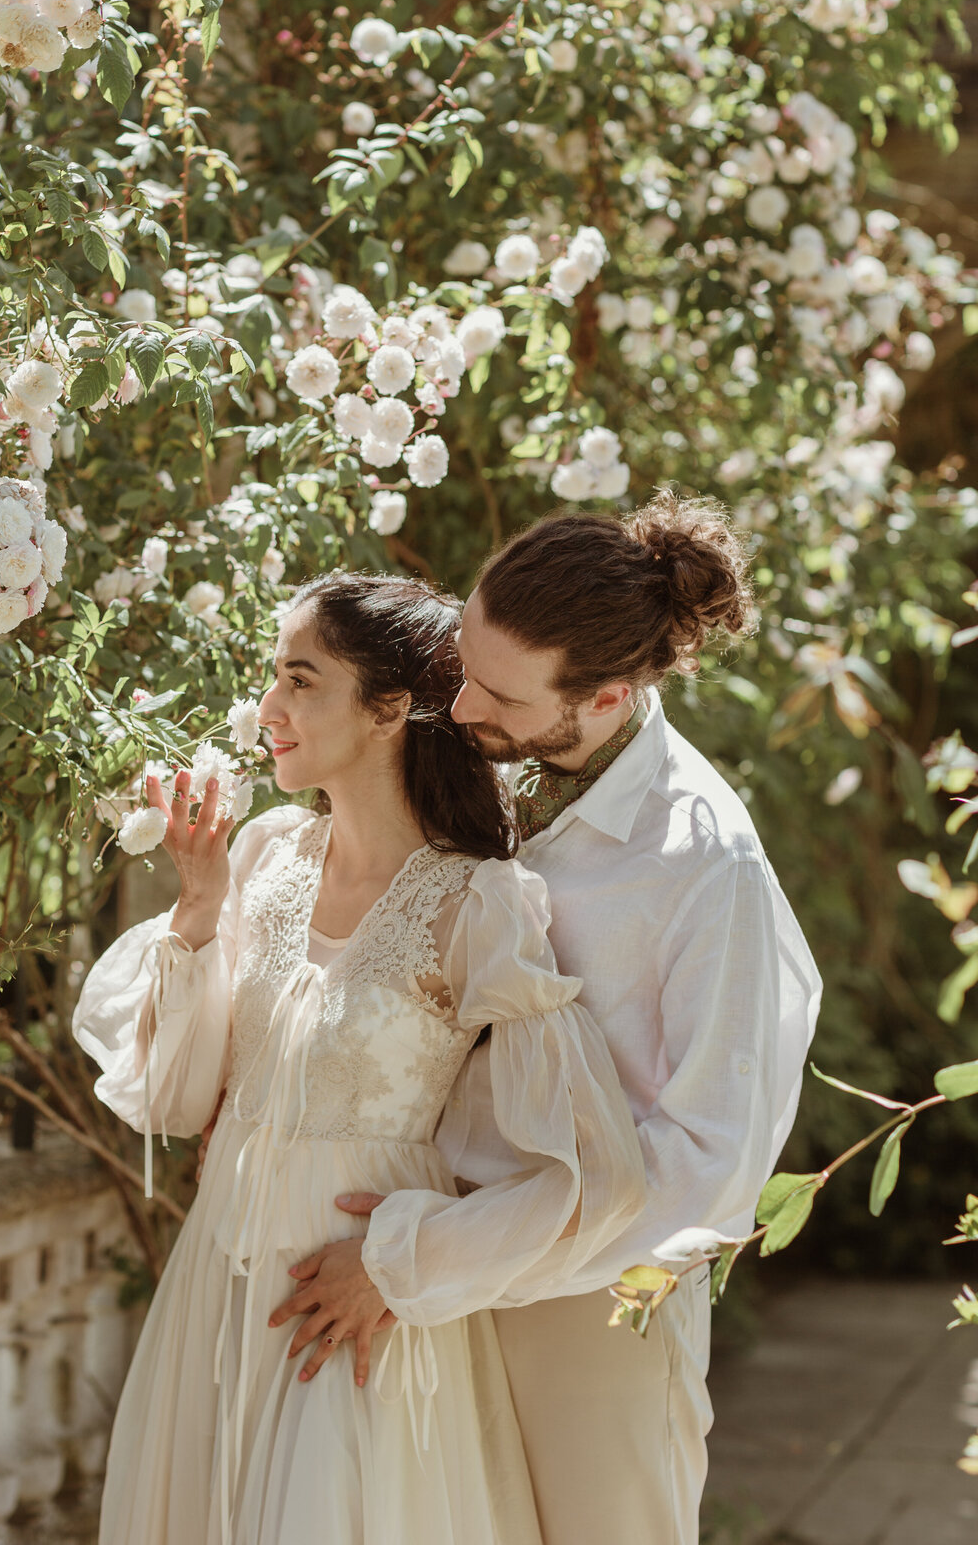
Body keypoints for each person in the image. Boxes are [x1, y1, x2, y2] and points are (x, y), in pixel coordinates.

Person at [278, 493, 823, 1545]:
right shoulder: (483, 761)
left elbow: (708, 1166)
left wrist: (419, 1262)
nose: (457, 700)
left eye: (496, 691)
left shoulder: (708, 866)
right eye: (465, 662)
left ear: (607, 698)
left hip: (587, 1312)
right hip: (422, 1265)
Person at [71, 572, 647, 1545]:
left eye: (300, 680)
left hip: (357, 1321)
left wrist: (400, 1262)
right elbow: (174, 1100)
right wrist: (201, 911)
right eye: (273, 679)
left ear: (388, 709)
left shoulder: (479, 902)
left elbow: (598, 1179)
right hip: (220, 1298)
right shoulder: (261, 857)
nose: (269, 708)